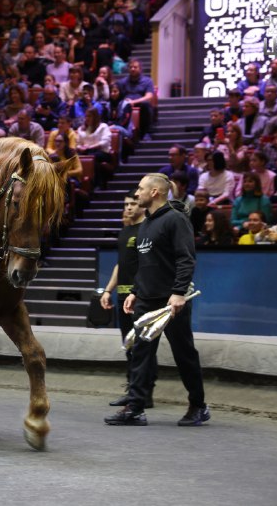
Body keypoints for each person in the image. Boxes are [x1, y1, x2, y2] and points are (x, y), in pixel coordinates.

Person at [105, 173, 209, 427]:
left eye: (141, 189)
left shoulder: (176, 219)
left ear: (155, 192)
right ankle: (136, 408)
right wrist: (135, 292)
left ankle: (198, 405)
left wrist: (178, 293)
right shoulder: (146, 224)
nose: (136, 193)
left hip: (171, 300)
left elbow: (186, 259)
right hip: (146, 299)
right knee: (140, 353)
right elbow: (146, 265)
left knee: (183, 353)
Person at [100, 190, 152, 408]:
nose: (129, 207)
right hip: (122, 296)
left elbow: (146, 265)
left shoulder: (146, 230)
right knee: (129, 345)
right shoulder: (125, 231)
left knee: (143, 346)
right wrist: (107, 290)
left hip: (139, 296)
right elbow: (120, 264)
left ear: (142, 205)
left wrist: (137, 292)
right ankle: (133, 389)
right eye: (126, 204)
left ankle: (144, 394)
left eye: (133, 203)